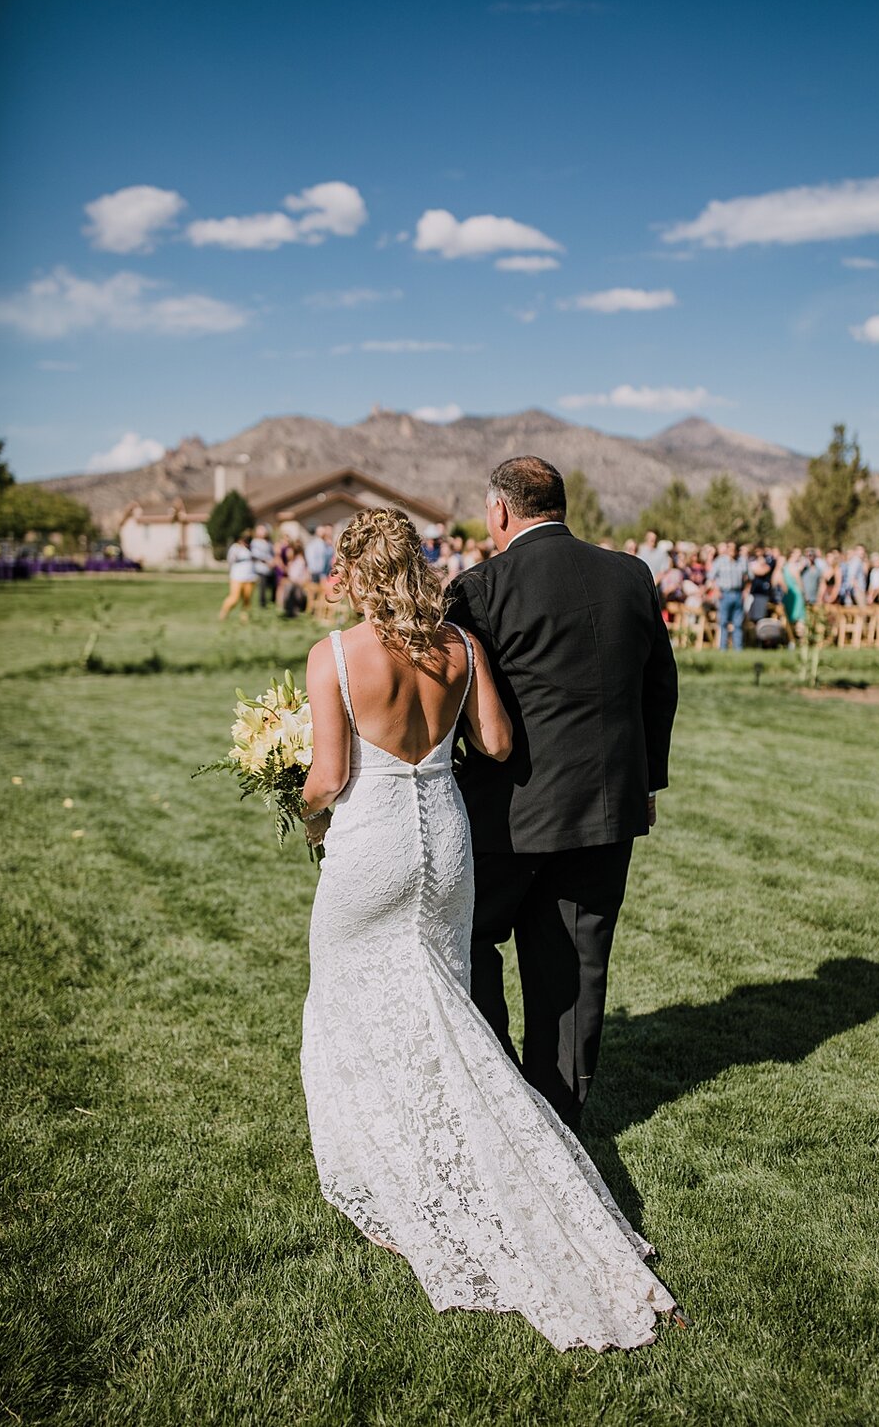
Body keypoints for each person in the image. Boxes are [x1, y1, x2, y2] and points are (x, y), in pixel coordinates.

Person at [299, 505, 686, 1351]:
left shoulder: (333, 656)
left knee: (350, 1004)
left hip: (371, 848)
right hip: (446, 843)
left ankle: (399, 1165)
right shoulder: (460, 651)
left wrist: (297, 801)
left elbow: (329, 777)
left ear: (358, 574)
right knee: (444, 1005)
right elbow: (501, 743)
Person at [447, 457, 679, 1134]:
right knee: (575, 964)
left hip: (508, 817)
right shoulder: (631, 574)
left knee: (468, 942)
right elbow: (659, 687)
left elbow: (461, 703)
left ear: (499, 511)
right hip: (608, 809)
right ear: (560, 504)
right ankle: (559, 1114)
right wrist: (647, 784)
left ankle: (496, 1091)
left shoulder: (481, 587)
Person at [709, 541, 749, 650]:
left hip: (737, 593)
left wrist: (745, 591)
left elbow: (748, 577)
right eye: (730, 549)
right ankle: (723, 648)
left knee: (738, 623)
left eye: (734, 549)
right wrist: (716, 590)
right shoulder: (720, 561)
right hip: (725, 594)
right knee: (723, 622)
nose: (732, 551)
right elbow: (711, 577)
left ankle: (738, 648)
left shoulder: (741, 561)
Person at [218, 530, 257, 622]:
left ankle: (244, 619)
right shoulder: (236, 548)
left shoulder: (253, 548)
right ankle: (224, 613)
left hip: (250, 577)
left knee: (247, 600)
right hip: (237, 577)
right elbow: (231, 560)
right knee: (234, 598)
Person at [250, 523, 276, 608]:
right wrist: (267, 561)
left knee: (273, 585)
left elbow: (272, 553)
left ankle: (273, 601)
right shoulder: (255, 542)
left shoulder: (269, 542)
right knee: (263, 587)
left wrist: (273, 562)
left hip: (270, 568)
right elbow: (256, 555)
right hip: (261, 568)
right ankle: (263, 604)